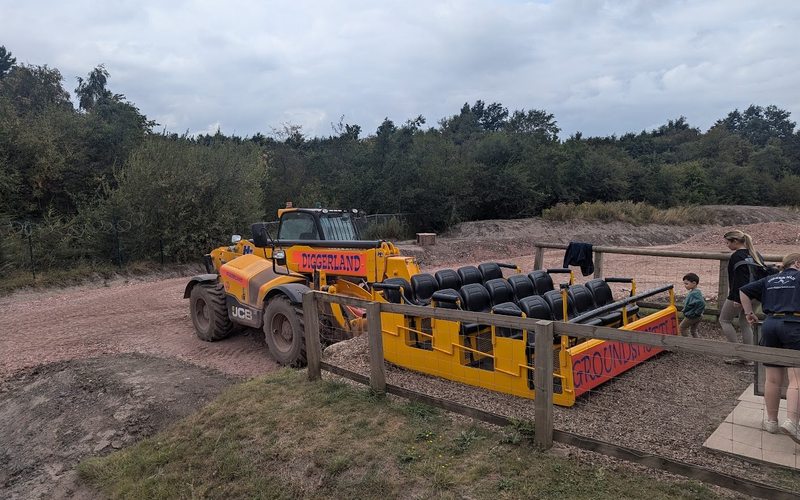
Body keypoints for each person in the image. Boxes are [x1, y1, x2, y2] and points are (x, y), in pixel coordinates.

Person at [740, 253, 800, 443]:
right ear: (797, 263)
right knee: (796, 378)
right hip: (794, 325)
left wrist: (749, 313)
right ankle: (792, 421)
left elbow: (743, 291)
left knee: (772, 379)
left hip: (770, 324)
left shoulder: (771, 279)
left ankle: (772, 421)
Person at [720, 230, 764, 352]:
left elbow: (738, 280)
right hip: (756, 295)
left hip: (741, 294)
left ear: (735, 241)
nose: (727, 245)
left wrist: (737, 299)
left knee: (724, 320)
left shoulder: (736, 256)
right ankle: (748, 357)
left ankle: (736, 353)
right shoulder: (756, 254)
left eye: (727, 242)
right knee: (745, 322)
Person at [680, 273, 706, 338]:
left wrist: (696, 313)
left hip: (692, 316)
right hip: (697, 315)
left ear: (694, 283)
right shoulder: (696, 292)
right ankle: (698, 344)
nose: (685, 286)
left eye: (686, 284)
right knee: (693, 330)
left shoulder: (694, 294)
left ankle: (687, 343)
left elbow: (702, 303)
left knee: (682, 328)